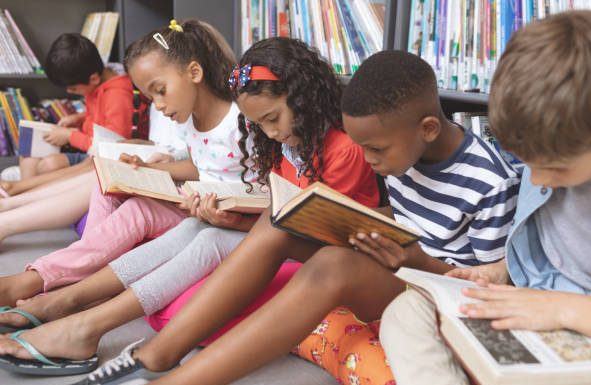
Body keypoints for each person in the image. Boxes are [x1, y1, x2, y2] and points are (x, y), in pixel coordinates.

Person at [72, 48, 518, 385]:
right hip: (399, 261)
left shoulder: (488, 182)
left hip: (434, 289)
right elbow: (407, 215)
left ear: (428, 129)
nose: (369, 160)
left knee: (332, 265)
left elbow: (483, 291)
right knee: (277, 221)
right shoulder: (400, 152)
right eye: (362, 148)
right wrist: (359, 221)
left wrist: (415, 260)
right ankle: (160, 353)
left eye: (375, 151)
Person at [379, 11, 591, 385]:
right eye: (526, 162)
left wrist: (563, 310)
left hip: (590, 325)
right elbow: (548, 242)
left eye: (555, 168)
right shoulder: (553, 147)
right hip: (533, 298)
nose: (536, 178)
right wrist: (500, 269)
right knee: (407, 314)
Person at [0, 19, 238, 309]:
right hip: (192, 197)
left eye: (160, 91)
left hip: (214, 211)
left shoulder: (238, 122)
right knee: (106, 182)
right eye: (151, 97)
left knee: (138, 211)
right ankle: (79, 272)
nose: (158, 106)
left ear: (195, 72)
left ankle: (42, 278)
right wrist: (146, 169)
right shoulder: (188, 120)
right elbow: (197, 166)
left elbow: (258, 190)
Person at [11, 33, 140, 181]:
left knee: (49, 165)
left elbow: (114, 144)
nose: (69, 91)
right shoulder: (96, 82)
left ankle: (28, 187)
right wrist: (79, 117)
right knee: (29, 152)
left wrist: (69, 137)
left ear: (93, 78)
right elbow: (102, 112)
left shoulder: (118, 95)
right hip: (87, 142)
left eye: (72, 89)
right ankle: (25, 187)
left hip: (99, 153)